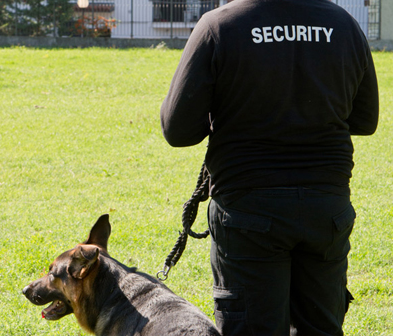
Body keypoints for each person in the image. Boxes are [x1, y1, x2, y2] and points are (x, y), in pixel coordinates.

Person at [160, 0, 379, 335]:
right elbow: (365, 120)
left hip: (248, 209)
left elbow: (177, 130)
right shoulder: (344, 24)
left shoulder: (219, 26)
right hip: (325, 208)